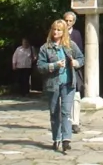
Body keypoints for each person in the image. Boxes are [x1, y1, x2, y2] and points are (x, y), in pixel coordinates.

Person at [37, 19, 84, 153]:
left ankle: (66, 140)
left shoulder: (70, 45)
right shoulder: (45, 48)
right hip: (53, 84)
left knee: (66, 112)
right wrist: (54, 65)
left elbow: (81, 58)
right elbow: (40, 67)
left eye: (59, 30)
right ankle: (56, 138)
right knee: (54, 112)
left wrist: (76, 62)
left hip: (69, 84)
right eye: (54, 29)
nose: (56, 32)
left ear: (64, 32)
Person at [63, 11, 83, 134]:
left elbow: (80, 52)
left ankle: (75, 122)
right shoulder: (58, 33)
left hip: (73, 69)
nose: (68, 23)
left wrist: (76, 62)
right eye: (66, 20)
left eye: (71, 21)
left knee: (76, 95)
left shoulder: (76, 34)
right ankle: (66, 121)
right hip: (60, 69)